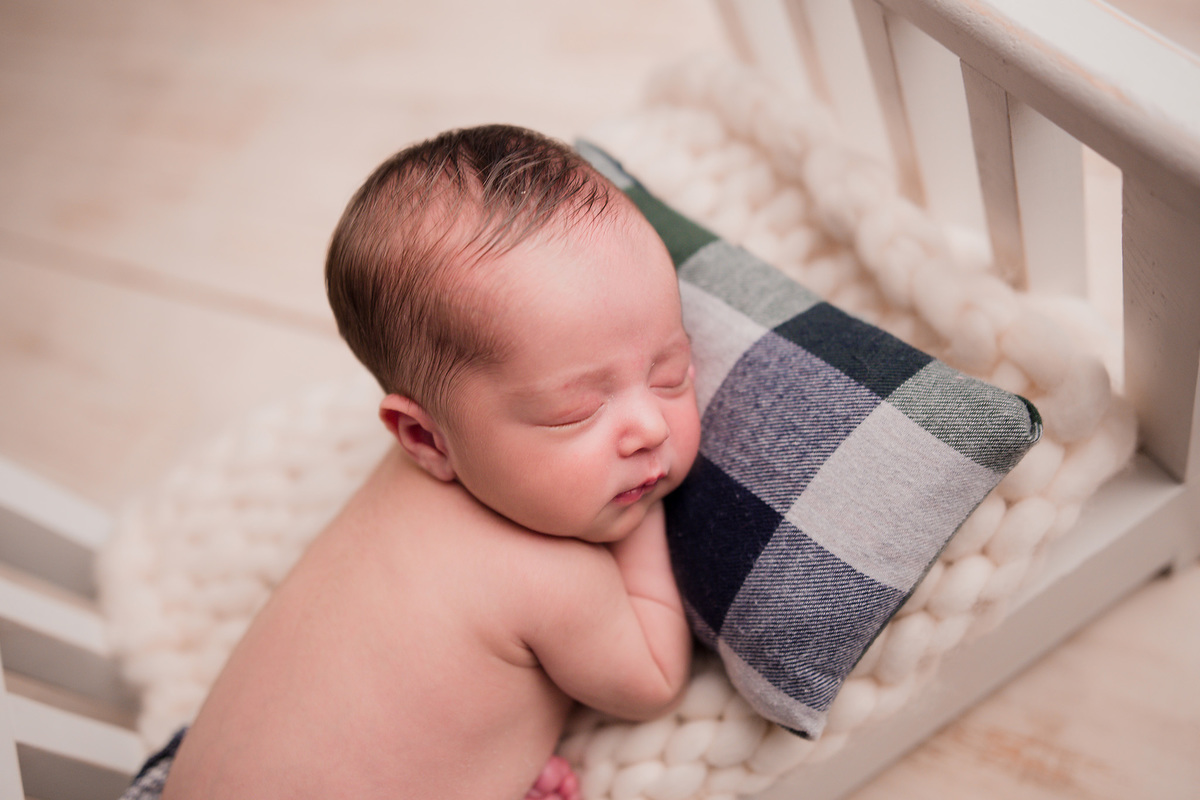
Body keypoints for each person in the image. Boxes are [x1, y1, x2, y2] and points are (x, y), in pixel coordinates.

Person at [145, 124, 701, 799]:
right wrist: (645, 508)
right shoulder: (548, 576)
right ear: (425, 439)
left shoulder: (409, 487)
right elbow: (654, 683)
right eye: (575, 412)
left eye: (671, 373)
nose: (647, 428)